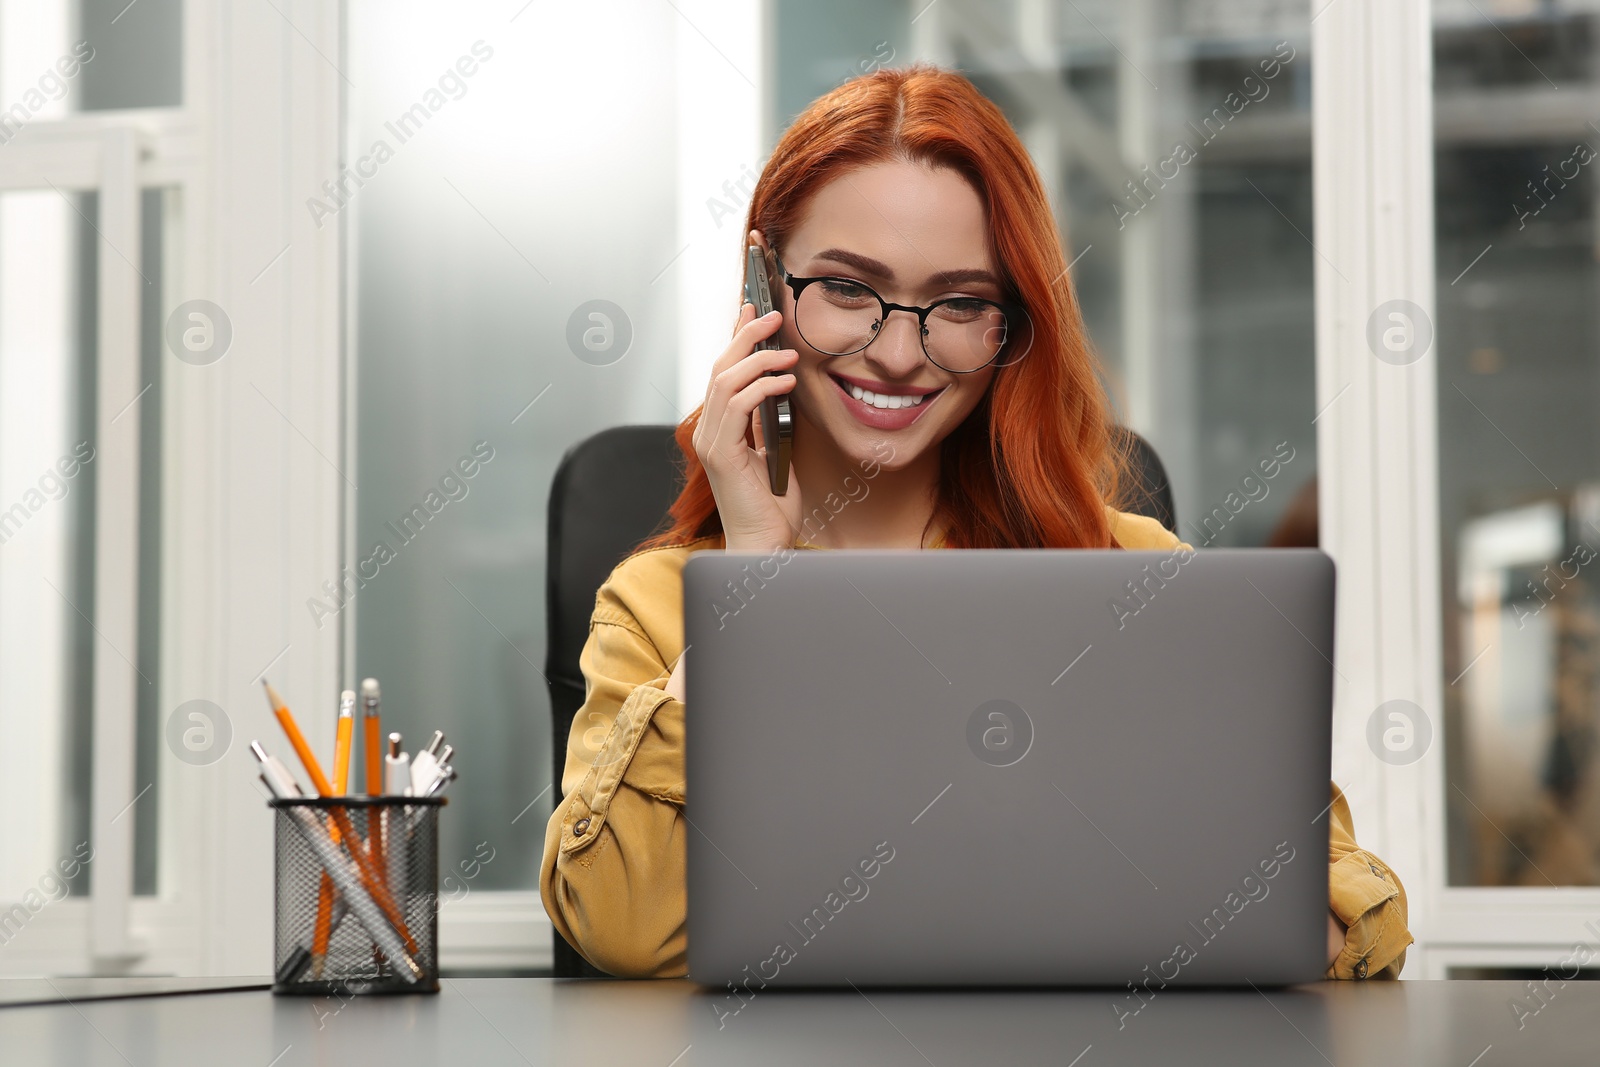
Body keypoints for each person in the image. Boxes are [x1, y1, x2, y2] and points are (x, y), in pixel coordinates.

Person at [539, 63, 1412, 982]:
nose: (900, 353)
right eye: (845, 287)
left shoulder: (1131, 571)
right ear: (765, 290)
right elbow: (616, 923)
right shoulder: (662, 608)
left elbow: (1356, 907)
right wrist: (754, 578)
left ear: (1012, 325)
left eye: (960, 304)